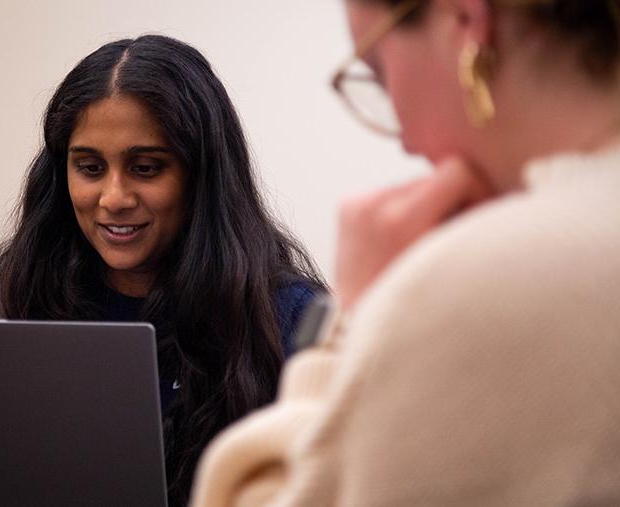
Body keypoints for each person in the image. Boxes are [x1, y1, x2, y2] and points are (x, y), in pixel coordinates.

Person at [192, 0, 620, 505]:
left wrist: (350, 317)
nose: (409, 142)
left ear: (467, 21)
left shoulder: (476, 285)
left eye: (377, 71)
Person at [0, 34, 327, 505]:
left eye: (147, 168)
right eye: (90, 168)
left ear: (201, 174)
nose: (113, 198)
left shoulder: (286, 319)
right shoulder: (21, 295)